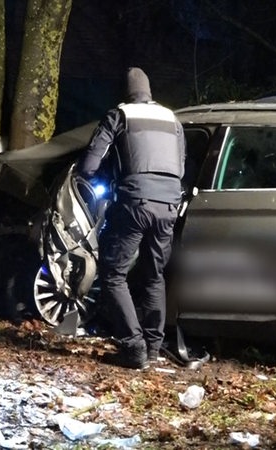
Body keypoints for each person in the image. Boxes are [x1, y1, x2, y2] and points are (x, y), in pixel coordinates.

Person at [76, 67, 186, 369]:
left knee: (113, 274)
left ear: (124, 92)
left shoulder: (120, 115)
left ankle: (132, 346)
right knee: (154, 275)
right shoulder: (171, 118)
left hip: (135, 201)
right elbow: (181, 166)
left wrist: (98, 175)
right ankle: (153, 348)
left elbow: (89, 163)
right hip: (169, 205)